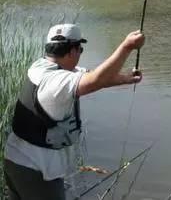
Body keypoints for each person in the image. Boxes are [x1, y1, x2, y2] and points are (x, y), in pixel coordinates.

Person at [3, 23, 145, 200]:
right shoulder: (58, 83)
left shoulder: (41, 67)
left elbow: (92, 77)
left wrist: (125, 79)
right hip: (37, 171)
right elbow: (95, 80)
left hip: (15, 161)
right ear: (72, 51)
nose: (80, 54)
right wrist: (127, 47)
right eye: (80, 49)